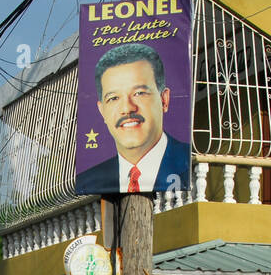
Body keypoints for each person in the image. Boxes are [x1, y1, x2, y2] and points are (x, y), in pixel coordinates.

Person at [75, 42, 190, 196]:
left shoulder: (189, 163)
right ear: (102, 111)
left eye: (139, 93)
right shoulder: (91, 181)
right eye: (114, 98)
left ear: (164, 100)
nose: (127, 108)